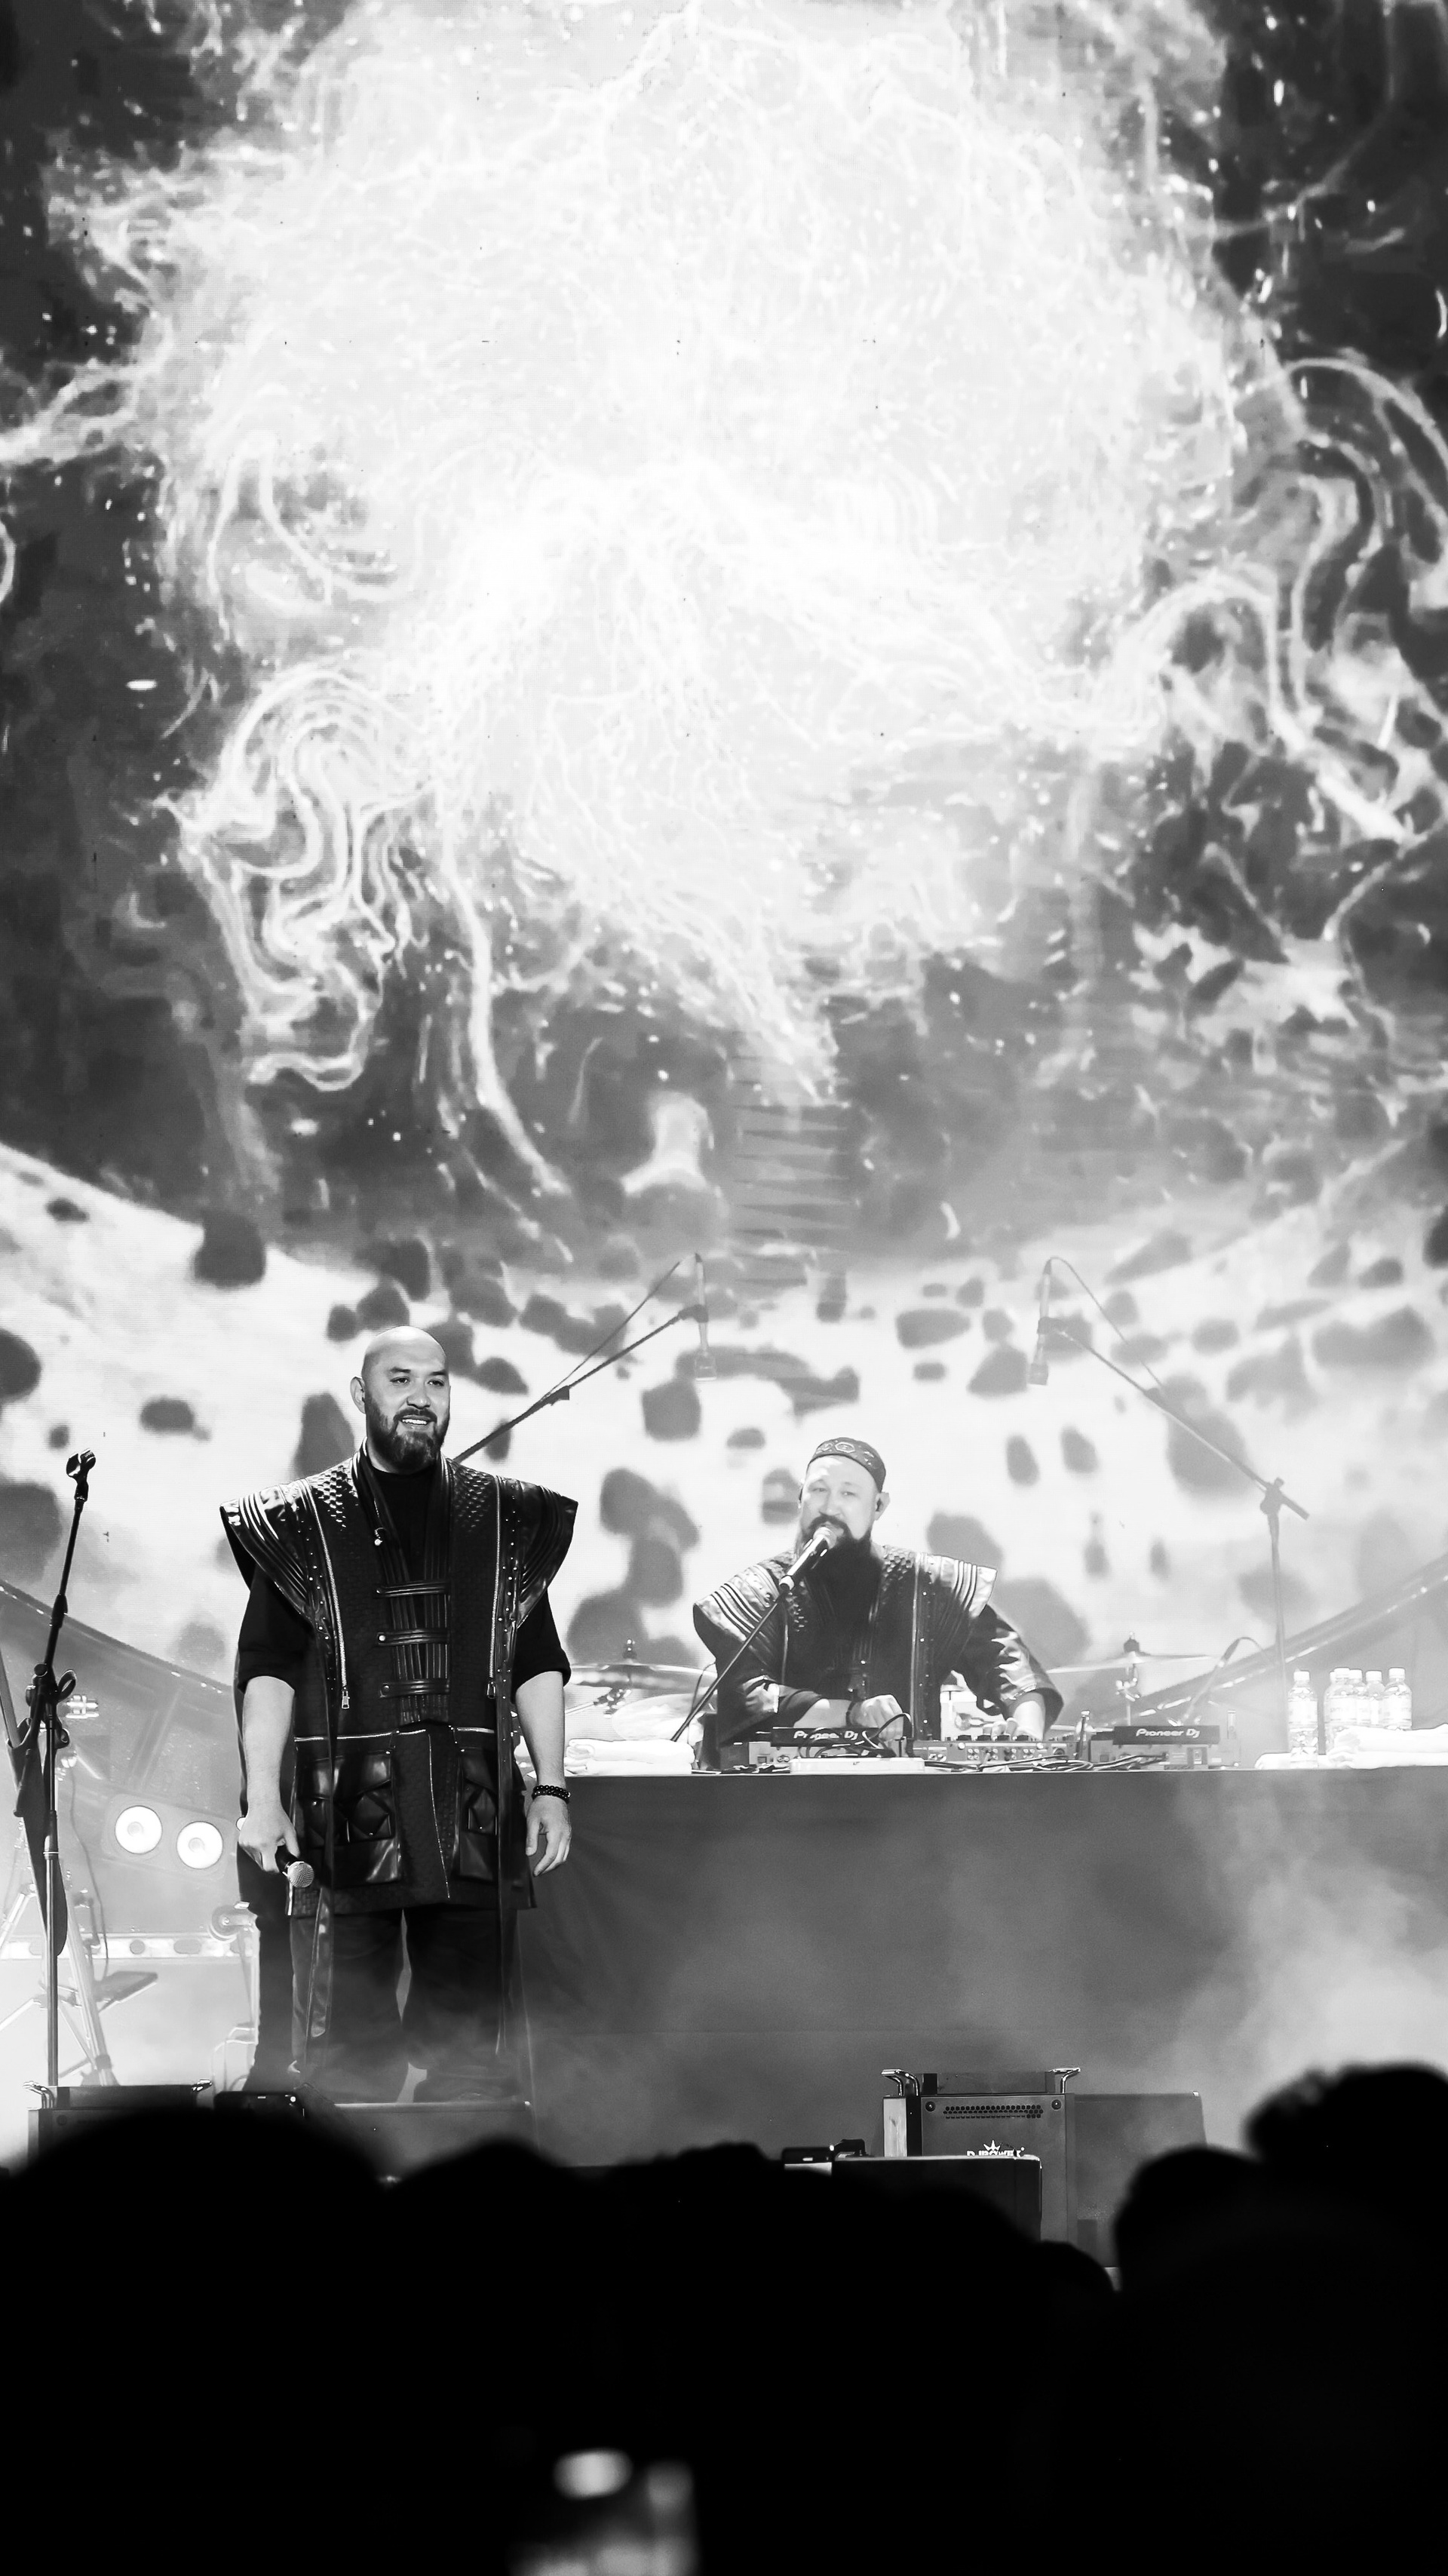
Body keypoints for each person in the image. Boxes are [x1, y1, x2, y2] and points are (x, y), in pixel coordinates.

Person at [222, 1326, 574, 2100]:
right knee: (349, 2061)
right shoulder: (300, 1520)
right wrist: (262, 1799)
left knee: (468, 2057)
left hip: (471, 1805)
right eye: (401, 1379)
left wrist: (551, 1785)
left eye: (437, 1381)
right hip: (342, 1811)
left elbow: (537, 1659)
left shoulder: (507, 1516)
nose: (421, 1397)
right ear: (362, 1394)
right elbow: (268, 1670)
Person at [692, 1435, 1058, 1765]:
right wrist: (852, 1713)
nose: (830, 1507)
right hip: (783, 1798)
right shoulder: (764, 1591)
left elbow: (1007, 1661)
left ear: (879, 1506)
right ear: (800, 1496)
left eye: (848, 1494)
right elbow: (750, 1697)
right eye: (818, 1490)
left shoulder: (927, 1583)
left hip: (917, 1795)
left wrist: (1026, 1733)